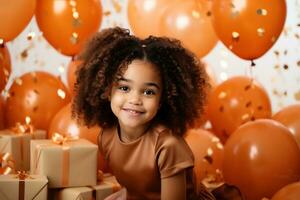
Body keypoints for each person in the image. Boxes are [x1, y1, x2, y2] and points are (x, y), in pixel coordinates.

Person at [72, 27, 215, 200]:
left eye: (148, 92)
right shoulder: (107, 137)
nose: (135, 100)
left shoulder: (168, 146)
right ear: (107, 91)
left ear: (162, 99)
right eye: (124, 88)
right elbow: (136, 190)